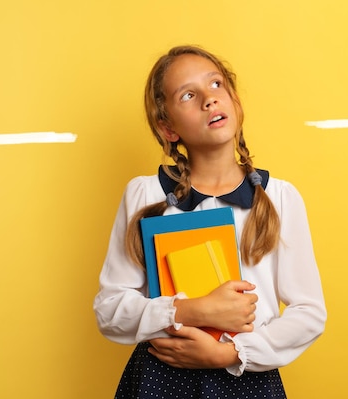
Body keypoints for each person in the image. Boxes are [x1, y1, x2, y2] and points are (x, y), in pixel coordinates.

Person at [94, 45, 326, 399]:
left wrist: (230, 353)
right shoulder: (145, 194)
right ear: (167, 127)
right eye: (188, 95)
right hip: (160, 378)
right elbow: (109, 310)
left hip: (248, 377)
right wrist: (187, 310)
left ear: (234, 99)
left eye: (216, 84)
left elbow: (309, 313)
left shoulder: (279, 198)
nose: (208, 100)